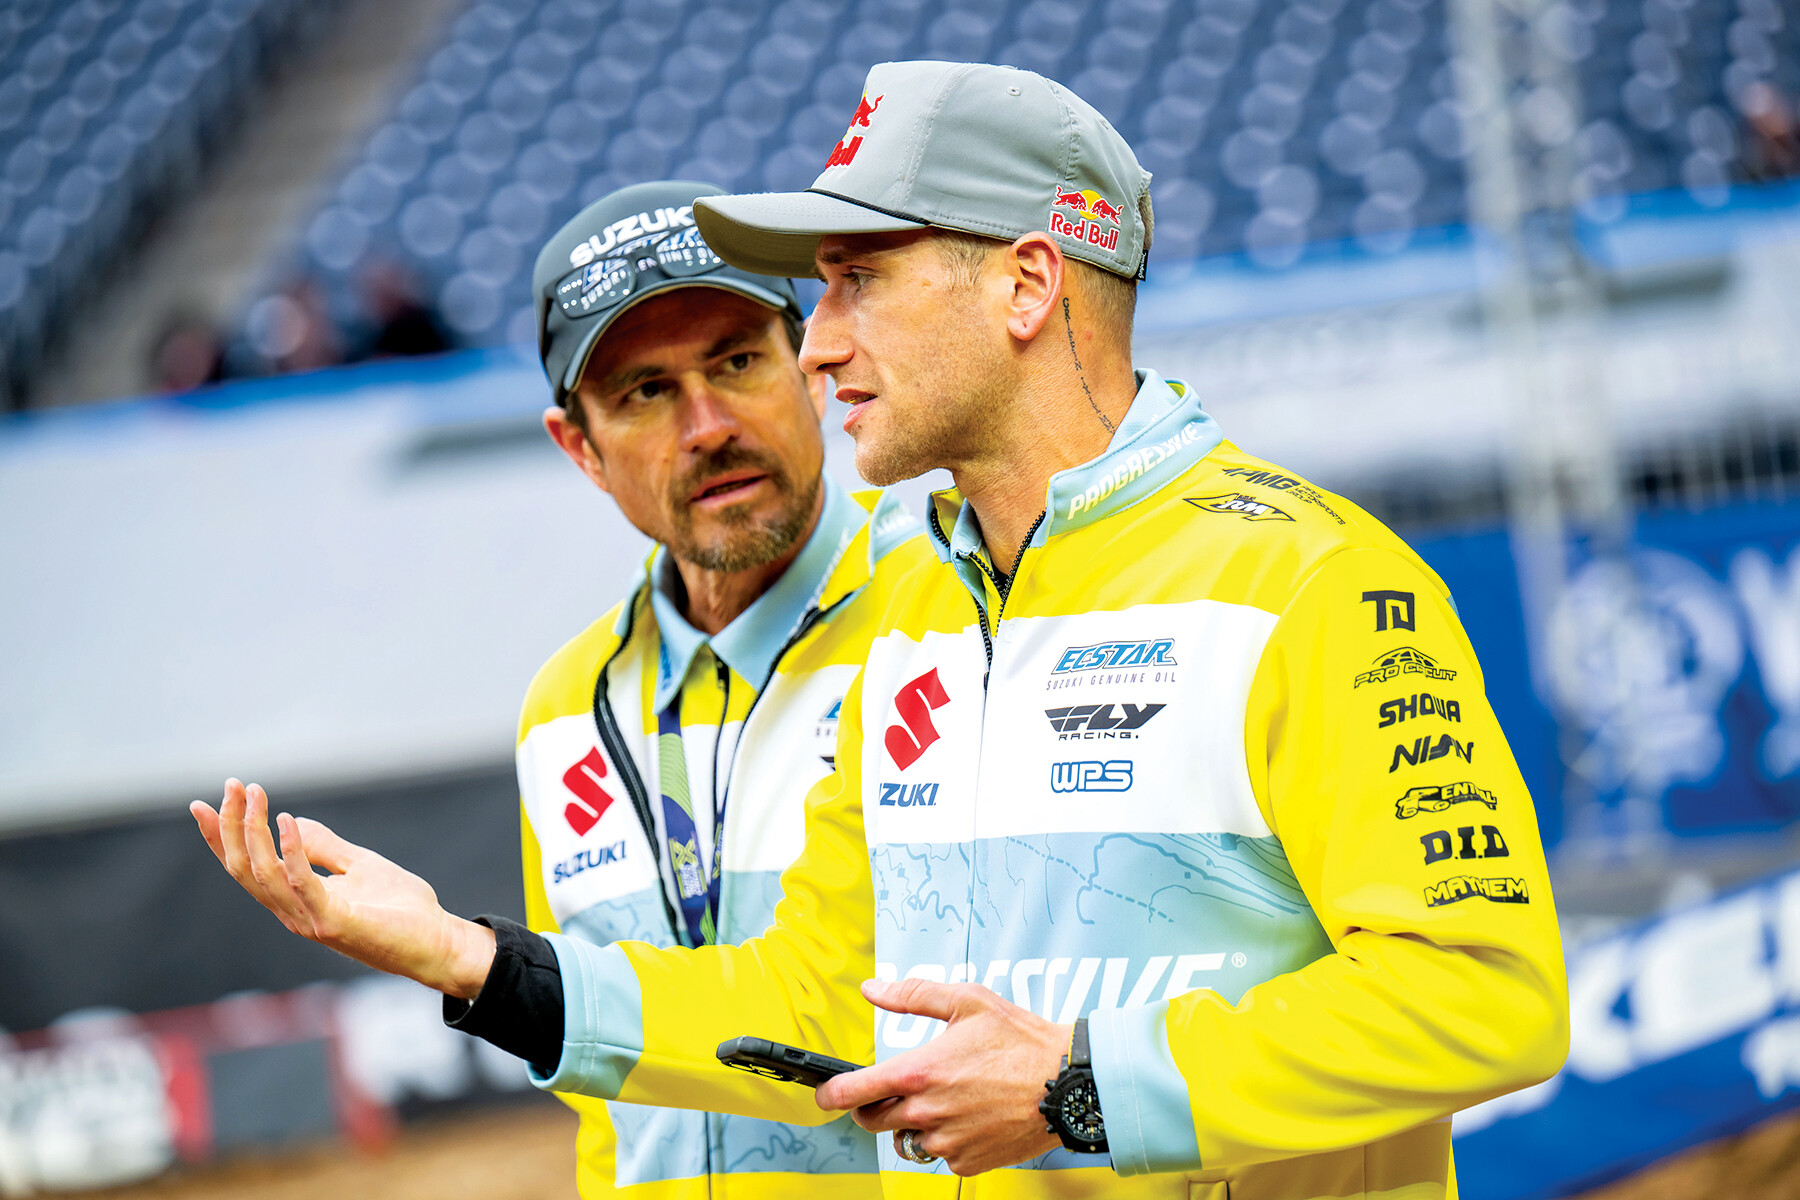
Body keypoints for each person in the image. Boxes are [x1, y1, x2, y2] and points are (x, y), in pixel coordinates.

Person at [194, 63, 1568, 1198]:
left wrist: (1080, 1086)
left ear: (1025, 286)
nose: (817, 346)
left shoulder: (1312, 579)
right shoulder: (913, 613)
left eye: (858, 281)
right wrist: (465, 959)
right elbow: (820, 1004)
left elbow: (1491, 997)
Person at [207, 180, 929, 1198]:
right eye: (644, 392)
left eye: (736, 361)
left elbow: (852, 1022)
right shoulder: (564, 707)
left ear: (811, 369)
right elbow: (610, 1107)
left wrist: (469, 958)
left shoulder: (944, 619)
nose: (707, 425)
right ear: (579, 448)